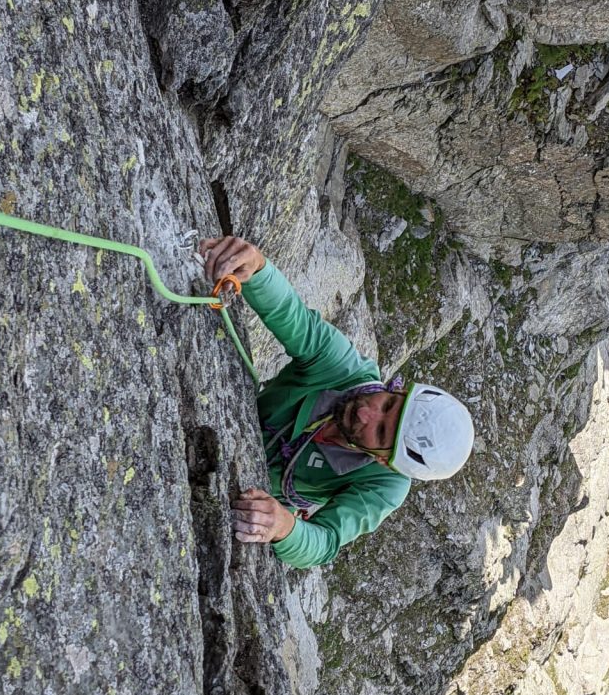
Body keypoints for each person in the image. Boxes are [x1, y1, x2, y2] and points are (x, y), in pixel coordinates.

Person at [200, 236, 474, 569]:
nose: (366, 411)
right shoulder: (347, 372)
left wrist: (284, 527)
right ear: (398, 390)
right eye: (388, 404)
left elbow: (326, 541)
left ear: (385, 460)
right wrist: (257, 269)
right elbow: (296, 319)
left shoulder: (385, 485)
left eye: (382, 432)